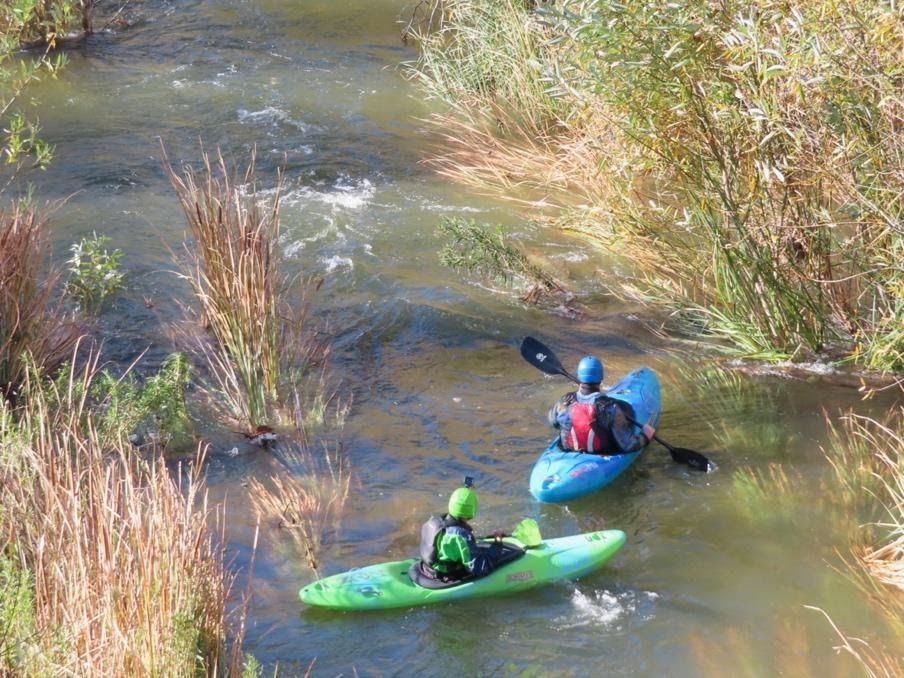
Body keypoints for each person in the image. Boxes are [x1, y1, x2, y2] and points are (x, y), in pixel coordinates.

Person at [548, 355, 656, 454]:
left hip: (568, 451)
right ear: (600, 378)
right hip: (600, 454)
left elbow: (554, 423)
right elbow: (629, 446)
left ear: (580, 376)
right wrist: (645, 436)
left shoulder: (564, 402)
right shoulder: (610, 408)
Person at [417, 481, 504, 582]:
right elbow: (480, 568)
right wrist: (498, 543)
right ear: (472, 510)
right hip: (444, 575)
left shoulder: (435, 521)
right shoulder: (461, 536)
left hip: (428, 567)